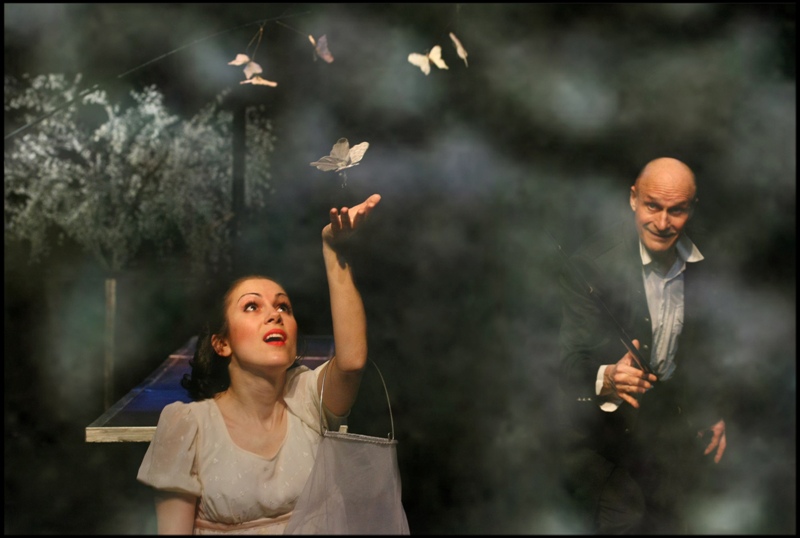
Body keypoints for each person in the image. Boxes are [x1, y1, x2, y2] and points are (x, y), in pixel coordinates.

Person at [137, 194, 382, 534]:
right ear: (222, 343)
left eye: (284, 307)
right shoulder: (189, 426)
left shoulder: (306, 399)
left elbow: (352, 362)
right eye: (252, 306)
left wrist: (333, 251)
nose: (274, 315)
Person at [556, 157, 729, 534]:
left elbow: (705, 351)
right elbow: (565, 360)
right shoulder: (591, 265)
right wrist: (607, 377)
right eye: (653, 206)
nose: (663, 223)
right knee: (627, 519)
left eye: (676, 210)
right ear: (633, 198)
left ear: (691, 208)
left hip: (669, 442)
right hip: (605, 444)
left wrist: (710, 409)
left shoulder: (707, 263)